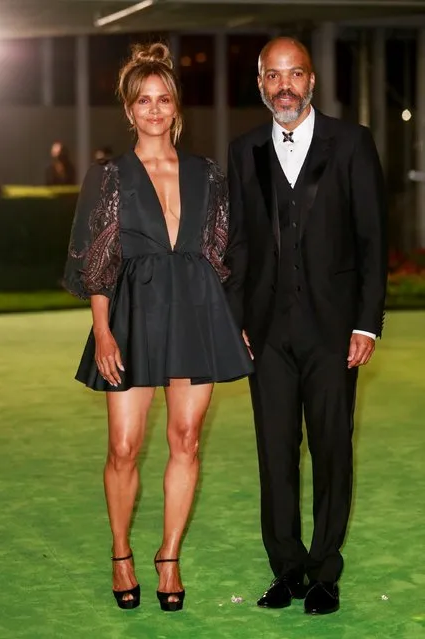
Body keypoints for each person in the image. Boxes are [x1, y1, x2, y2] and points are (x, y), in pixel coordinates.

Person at [63, 42, 253, 612]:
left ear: (176, 108)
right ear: (128, 109)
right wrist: (102, 330)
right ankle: (121, 551)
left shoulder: (208, 173)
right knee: (124, 446)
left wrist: (233, 323)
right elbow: (97, 260)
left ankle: (167, 556)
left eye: (162, 98)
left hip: (197, 311)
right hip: (132, 314)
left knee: (186, 440)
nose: (153, 109)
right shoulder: (109, 177)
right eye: (142, 100)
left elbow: (223, 254)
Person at [225, 37, 387, 615]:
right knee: (274, 454)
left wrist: (367, 323)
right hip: (266, 335)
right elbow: (238, 245)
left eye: (295, 74)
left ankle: (325, 571)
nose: (284, 85)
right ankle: (287, 567)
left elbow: (372, 241)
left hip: (334, 332)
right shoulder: (243, 150)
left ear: (312, 81)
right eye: (273, 75)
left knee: (331, 450)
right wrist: (237, 318)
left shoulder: (351, 144)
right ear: (261, 83)